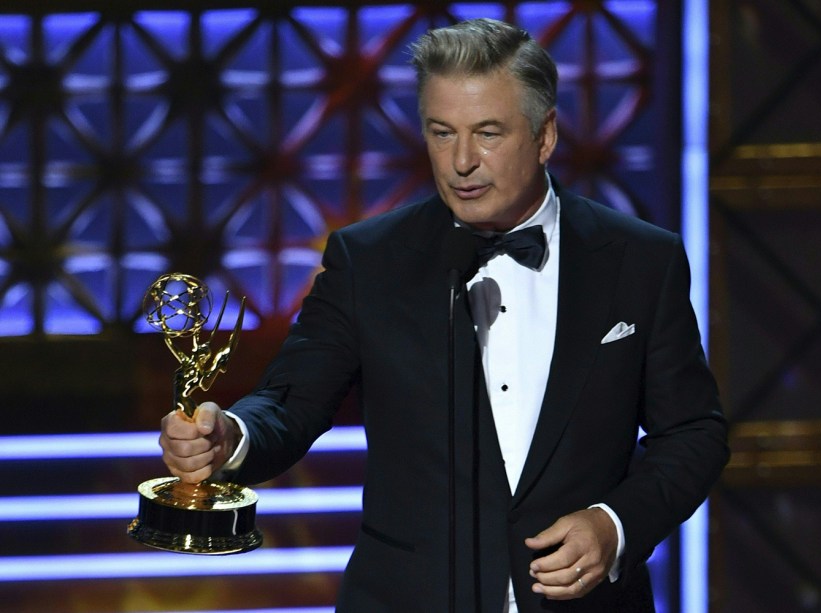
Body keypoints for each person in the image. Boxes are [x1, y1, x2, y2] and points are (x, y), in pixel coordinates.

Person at [159, 18, 729, 612]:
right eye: (441, 132)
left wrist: (615, 525)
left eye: (487, 133)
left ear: (545, 135)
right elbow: (291, 401)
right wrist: (230, 435)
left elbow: (693, 432)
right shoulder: (370, 260)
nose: (461, 161)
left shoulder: (640, 259)